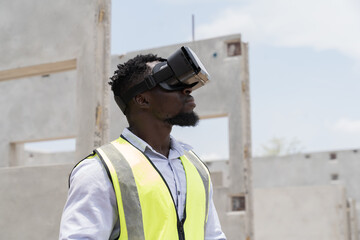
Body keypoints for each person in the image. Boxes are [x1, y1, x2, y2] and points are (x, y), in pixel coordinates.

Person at [59, 47, 227, 240]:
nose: (187, 89)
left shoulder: (196, 168)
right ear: (142, 99)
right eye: (171, 83)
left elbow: (213, 236)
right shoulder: (100, 171)